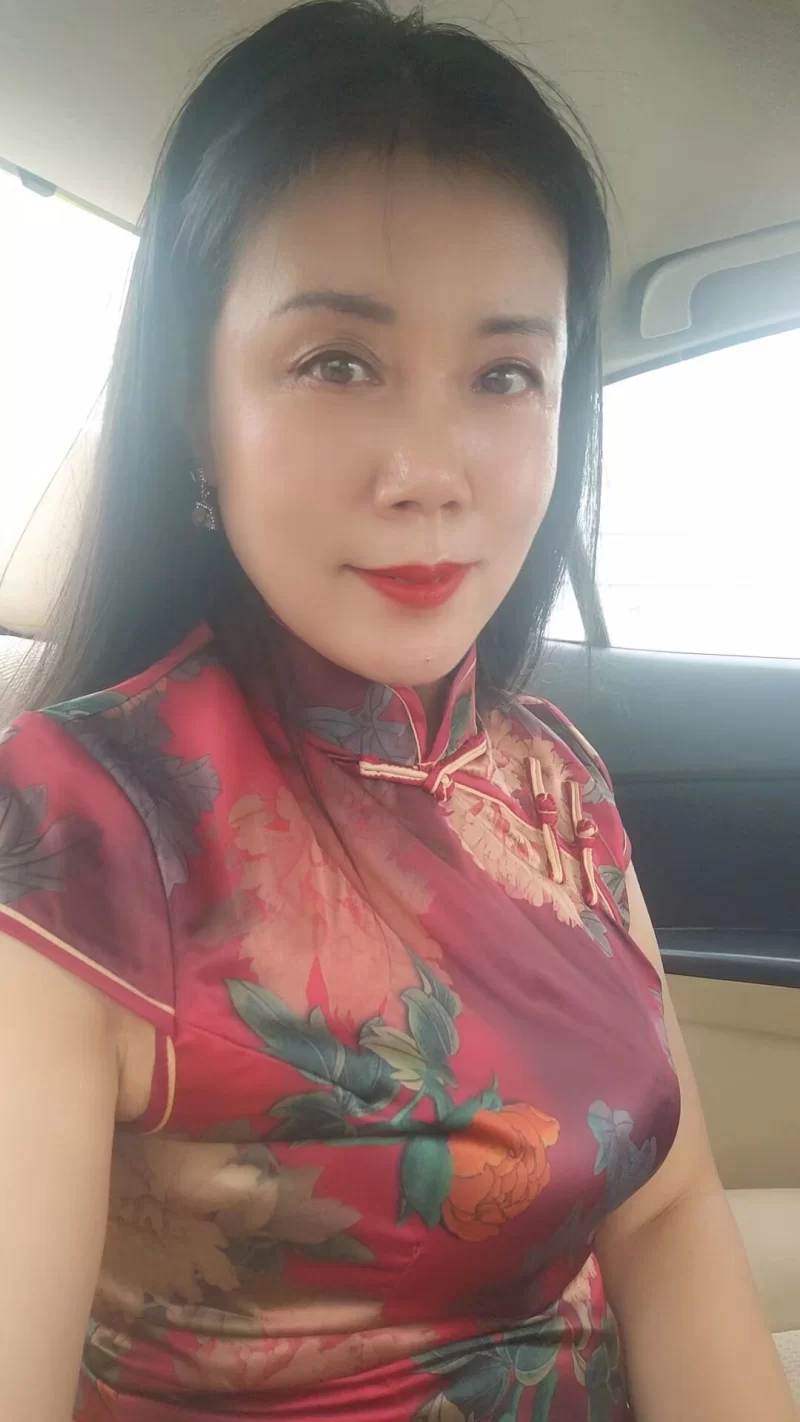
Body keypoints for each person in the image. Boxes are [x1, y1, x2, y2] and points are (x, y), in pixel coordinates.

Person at [0, 2, 794, 1419]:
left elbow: (668, 1217)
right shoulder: (77, 827)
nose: (431, 470)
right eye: (338, 362)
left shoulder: (557, 781)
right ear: (194, 401)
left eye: (504, 375)